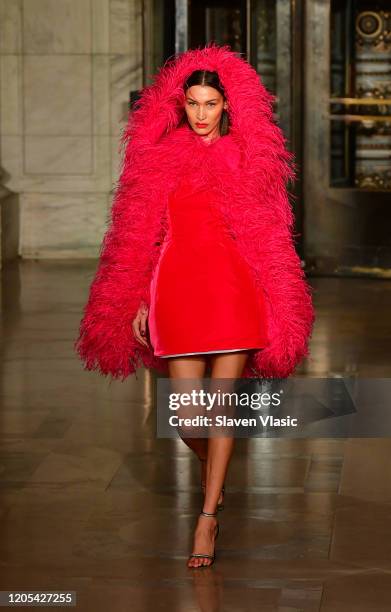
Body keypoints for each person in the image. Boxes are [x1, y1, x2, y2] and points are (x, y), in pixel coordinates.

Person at [74, 43, 315, 569]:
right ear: (179, 104)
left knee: (221, 405)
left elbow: (271, 233)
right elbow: (141, 233)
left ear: (228, 106)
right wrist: (136, 295)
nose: (202, 114)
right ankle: (217, 470)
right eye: (193, 103)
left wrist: (277, 297)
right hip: (178, 288)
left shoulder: (251, 157)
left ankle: (207, 518)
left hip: (233, 289)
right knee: (186, 413)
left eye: (211, 103)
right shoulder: (159, 156)